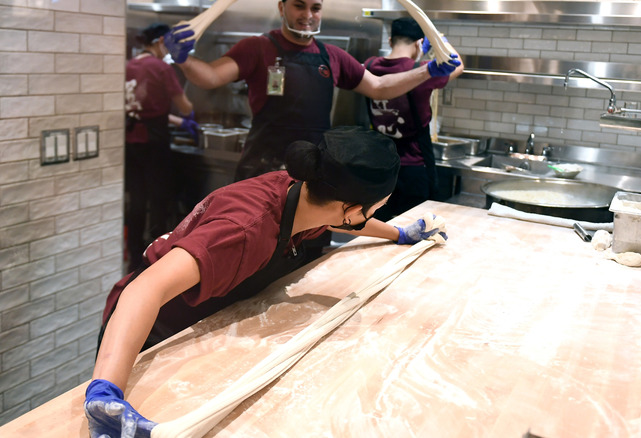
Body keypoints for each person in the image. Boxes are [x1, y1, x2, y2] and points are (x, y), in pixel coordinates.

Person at [84, 127, 447, 437]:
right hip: (150, 331)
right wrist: (106, 392)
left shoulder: (306, 191)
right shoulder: (245, 230)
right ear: (353, 208)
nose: (372, 215)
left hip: (202, 319)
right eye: (375, 209)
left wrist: (398, 233)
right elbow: (145, 288)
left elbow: (338, 219)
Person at [162, 0, 461, 182]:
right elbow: (212, 77)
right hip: (262, 168)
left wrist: (428, 71)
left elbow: (379, 87)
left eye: (315, 7)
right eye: (299, 5)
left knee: (307, 255)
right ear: (282, 7)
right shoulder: (257, 47)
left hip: (314, 172)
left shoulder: (331, 55)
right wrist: (184, 60)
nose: (308, 14)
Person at [364, 17, 464, 221]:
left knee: (379, 230)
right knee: (415, 228)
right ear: (420, 43)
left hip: (379, 167)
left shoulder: (369, 65)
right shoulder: (423, 71)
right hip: (414, 168)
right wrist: (440, 40)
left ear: (390, 41)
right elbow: (458, 65)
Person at [125, 23, 199, 272]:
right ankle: (153, 258)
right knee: (159, 199)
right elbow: (186, 105)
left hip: (130, 141)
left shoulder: (128, 65)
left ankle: (134, 257)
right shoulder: (160, 67)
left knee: (136, 201)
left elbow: (140, 109)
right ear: (159, 42)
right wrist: (187, 115)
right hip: (154, 143)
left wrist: (178, 121)